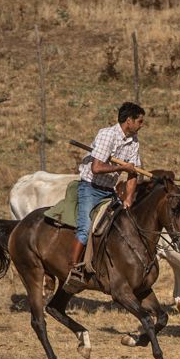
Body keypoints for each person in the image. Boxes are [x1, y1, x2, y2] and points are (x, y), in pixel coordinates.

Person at [69, 102, 146, 276]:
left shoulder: (134, 141)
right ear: (129, 121)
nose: (142, 125)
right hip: (90, 187)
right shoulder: (107, 135)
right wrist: (122, 168)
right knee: (86, 228)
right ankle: (72, 268)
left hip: (109, 190)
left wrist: (128, 199)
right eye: (140, 121)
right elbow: (96, 168)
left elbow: (133, 173)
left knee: (123, 225)